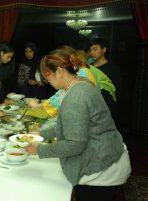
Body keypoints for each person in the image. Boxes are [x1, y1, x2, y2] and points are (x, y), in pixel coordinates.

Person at [25, 49, 131, 201]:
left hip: (101, 169)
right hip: (109, 155)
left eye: (48, 75)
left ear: (60, 71)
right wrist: (42, 134)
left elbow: (75, 144)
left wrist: (39, 150)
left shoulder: (76, 96)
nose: (47, 80)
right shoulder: (79, 84)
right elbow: (73, 124)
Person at [28, 45, 98, 117]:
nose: (49, 82)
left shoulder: (80, 81)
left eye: (49, 79)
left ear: (59, 71)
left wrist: (37, 106)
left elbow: (59, 100)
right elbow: (61, 95)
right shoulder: (75, 78)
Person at [88, 37, 121, 125]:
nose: (92, 53)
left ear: (104, 49)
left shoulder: (113, 68)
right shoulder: (88, 68)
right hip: (90, 108)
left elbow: (116, 91)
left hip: (107, 108)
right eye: (90, 50)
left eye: (95, 49)